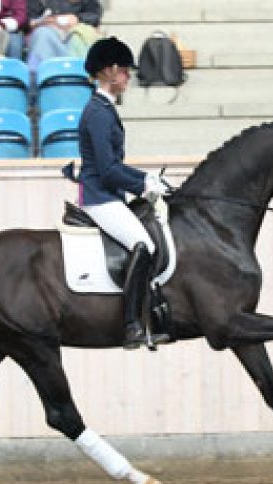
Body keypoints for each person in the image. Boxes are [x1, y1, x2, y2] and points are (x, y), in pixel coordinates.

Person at [77, 37, 169, 350]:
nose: (129, 76)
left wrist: (147, 179)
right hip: (99, 197)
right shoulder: (99, 112)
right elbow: (107, 169)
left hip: (109, 195)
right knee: (142, 244)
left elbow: (116, 165)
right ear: (111, 70)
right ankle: (131, 324)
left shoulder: (103, 109)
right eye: (125, 70)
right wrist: (143, 184)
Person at [26, 0, 102, 73]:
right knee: (42, 35)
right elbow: (30, 19)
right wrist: (46, 20)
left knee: (79, 36)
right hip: (48, 32)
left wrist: (77, 18)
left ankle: (78, 76)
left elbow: (94, 15)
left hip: (75, 31)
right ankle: (41, 75)